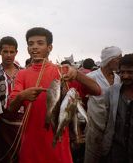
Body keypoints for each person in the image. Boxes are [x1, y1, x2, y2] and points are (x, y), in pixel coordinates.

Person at [8, 27, 101, 163]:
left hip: (58, 142)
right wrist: (22, 96)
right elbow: (11, 108)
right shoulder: (22, 74)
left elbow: (97, 90)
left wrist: (77, 74)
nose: (34, 47)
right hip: (30, 143)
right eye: (31, 44)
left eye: (40, 43)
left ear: (49, 47)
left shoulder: (62, 71)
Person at [84, 46, 122, 163]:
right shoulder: (91, 77)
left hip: (112, 127)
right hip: (94, 126)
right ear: (110, 59)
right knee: (92, 157)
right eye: (118, 58)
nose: (120, 61)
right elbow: (81, 99)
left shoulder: (118, 78)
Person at [0, 36, 23, 162]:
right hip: (2, 123)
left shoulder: (23, 72)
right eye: (5, 51)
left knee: (22, 154)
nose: (8, 55)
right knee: (4, 155)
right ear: (0, 52)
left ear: (16, 52)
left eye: (12, 52)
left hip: (22, 123)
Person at [102, 53, 133, 163]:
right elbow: (107, 120)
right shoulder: (111, 91)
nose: (125, 76)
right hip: (116, 152)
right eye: (122, 72)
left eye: (130, 72)